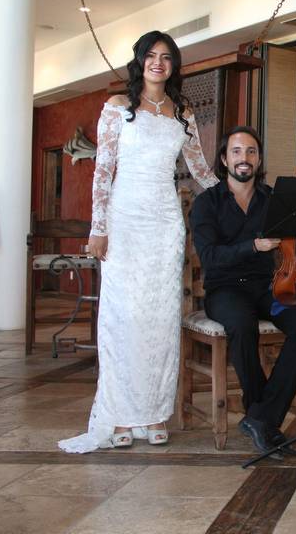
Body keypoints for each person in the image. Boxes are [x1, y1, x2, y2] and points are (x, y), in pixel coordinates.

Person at [59, 31, 218, 453]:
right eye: (151, 56)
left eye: (166, 57)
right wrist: (98, 228)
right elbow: (103, 171)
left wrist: (243, 196)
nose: (158, 63)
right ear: (140, 61)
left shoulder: (182, 112)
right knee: (123, 317)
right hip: (124, 221)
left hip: (165, 223)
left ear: (174, 65)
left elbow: (201, 172)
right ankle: (122, 414)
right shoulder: (116, 108)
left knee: (161, 319)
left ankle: (153, 413)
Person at [189, 126, 296, 454]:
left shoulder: (273, 199)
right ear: (224, 159)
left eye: (250, 151)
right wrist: (253, 246)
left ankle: (260, 417)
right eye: (236, 151)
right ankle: (263, 414)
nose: (244, 158)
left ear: (258, 159)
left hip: (270, 287)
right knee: (241, 325)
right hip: (225, 289)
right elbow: (210, 258)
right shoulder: (207, 203)